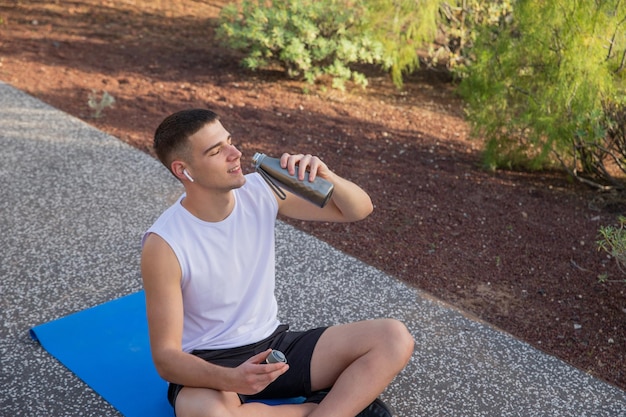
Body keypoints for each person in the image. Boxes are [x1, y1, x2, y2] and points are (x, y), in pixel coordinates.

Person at [141, 108, 415, 417]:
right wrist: (233, 379)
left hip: (274, 346)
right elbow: (166, 358)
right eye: (217, 151)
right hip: (210, 366)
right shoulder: (165, 244)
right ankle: (330, 407)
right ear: (183, 170)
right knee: (206, 414)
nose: (235, 153)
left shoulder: (262, 191)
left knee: (393, 338)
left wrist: (327, 177)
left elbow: (358, 209)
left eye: (229, 141)